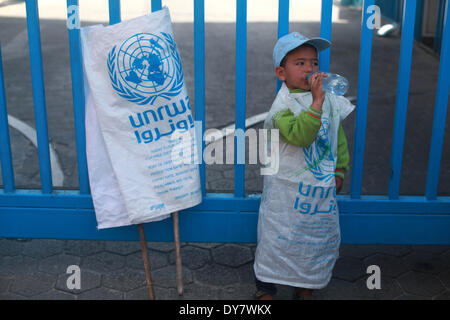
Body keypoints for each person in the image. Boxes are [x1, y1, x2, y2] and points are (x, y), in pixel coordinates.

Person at [253, 32, 355, 300]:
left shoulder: (328, 100)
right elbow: (301, 135)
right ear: (281, 73)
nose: (310, 69)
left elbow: (337, 137)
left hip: (317, 190)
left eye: (314, 63)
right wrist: (317, 103)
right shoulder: (280, 108)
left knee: (311, 238)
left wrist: (339, 170)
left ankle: (304, 286)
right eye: (300, 63)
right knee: (277, 235)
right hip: (286, 190)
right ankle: (266, 287)